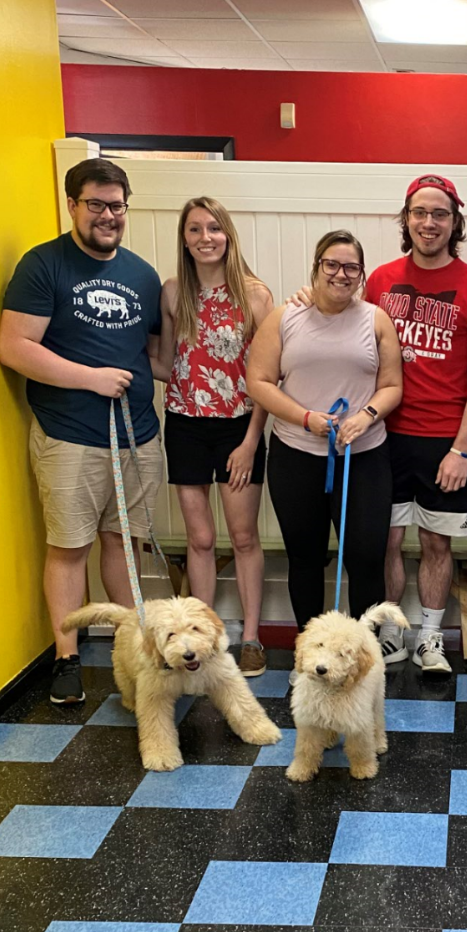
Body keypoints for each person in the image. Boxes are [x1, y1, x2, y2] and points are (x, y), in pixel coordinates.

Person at [0, 157, 163, 706]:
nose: (108, 216)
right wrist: (90, 379)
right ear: (72, 205)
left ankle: (133, 651)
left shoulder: (141, 274)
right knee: (69, 548)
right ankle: (67, 658)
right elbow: (15, 347)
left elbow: (157, 355)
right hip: (70, 435)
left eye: (117, 206)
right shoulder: (43, 265)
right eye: (96, 204)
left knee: (123, 543)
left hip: (139, 435)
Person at [367, 175, 467, 674]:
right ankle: (390, 633)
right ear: (407, 218)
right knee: (385, 537)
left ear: (454, 221)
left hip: (445, 438)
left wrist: (461, 449)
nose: (429, 223)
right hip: (384, 435)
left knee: (434, 542)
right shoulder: (379, 280)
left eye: (439, 214)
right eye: (420, 213)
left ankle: (429, 638)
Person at [246, 230, 402, 631]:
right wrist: (306, 418)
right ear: (316, 268)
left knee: (366, 558)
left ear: (361, 274)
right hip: (296, 456)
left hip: (363, 457)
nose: (340, 274)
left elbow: (392, 386)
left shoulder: (375, 320)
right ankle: (310, 651)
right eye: (331, 264)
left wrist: (366, 415)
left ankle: (363, 651)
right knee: (305, 557)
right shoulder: (286, 317)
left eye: (351, 267)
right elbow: (259, 382)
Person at [159, 197, 273, 676]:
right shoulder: (171, 293)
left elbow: (268, 375)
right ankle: (197, 639)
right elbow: (166, 364)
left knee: (243, 536)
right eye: (194, 230)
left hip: (237, 427)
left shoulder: (255, 294)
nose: (205, 238)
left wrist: (250, 442)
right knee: (200, 538)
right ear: (184, 239)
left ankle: (251, 637)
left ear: (228, 234)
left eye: (213, 228)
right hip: (184, 424)